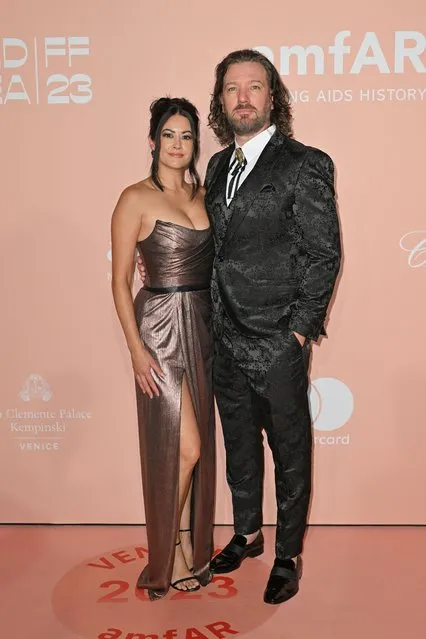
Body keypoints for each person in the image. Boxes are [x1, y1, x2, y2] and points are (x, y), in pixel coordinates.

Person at [138, 49, 341, 605]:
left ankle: (288, 554)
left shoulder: (306, 163)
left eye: (254, 86)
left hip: (277, 338)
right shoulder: (218, 167)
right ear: (221, 102)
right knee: (239, 448)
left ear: (273, 97)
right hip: (222, 337)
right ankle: (247, 535)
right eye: (232, 88)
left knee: (291, 451)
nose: (243, 97)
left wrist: (297, 333)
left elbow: (324, 255)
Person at [111, 97, 215, 601]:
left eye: (187, 136)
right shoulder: (134, 198)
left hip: (202, 325)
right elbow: (118, 281)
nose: (178, 144)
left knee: (193, 451)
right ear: (153, 142)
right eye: (169, 135)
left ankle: (187, 546)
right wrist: (136, 351)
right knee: (185, 447)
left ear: (196, 143)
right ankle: (167, 554)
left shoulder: (203, 193)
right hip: (158, 328)